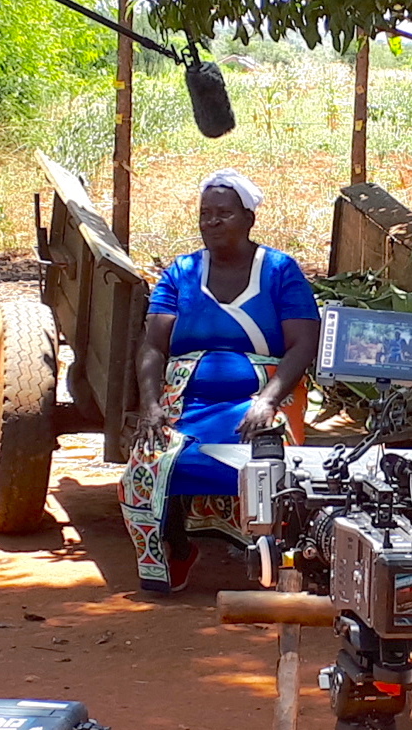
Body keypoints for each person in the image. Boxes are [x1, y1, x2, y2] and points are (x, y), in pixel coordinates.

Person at [121, 171, 321, 596]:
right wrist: (152, 404)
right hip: (186, 400)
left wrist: (268, 401)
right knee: (153, 461)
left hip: (257, 397)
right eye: (205, 215)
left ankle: (273, 557)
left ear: (249, 219)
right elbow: (154, 345)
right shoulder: (182, 271)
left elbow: (303, 344)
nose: (211, 223)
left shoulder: (280, 270)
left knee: (268, 462)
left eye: (223, 214)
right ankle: (175, 547)